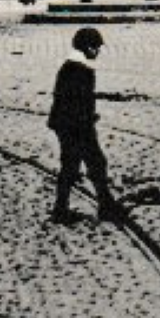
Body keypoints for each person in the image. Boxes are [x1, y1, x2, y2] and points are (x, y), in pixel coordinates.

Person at [47, 27, 122, 224]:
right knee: (92, 163)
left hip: (69, 123)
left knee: (76, 165)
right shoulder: (80, 70)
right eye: (96, 48)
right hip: (76, 125)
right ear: (88, 47)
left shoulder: (71, 66)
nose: (97, 52)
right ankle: (103, 207)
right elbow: (75, 101)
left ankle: (63, 209)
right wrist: (86, 119)